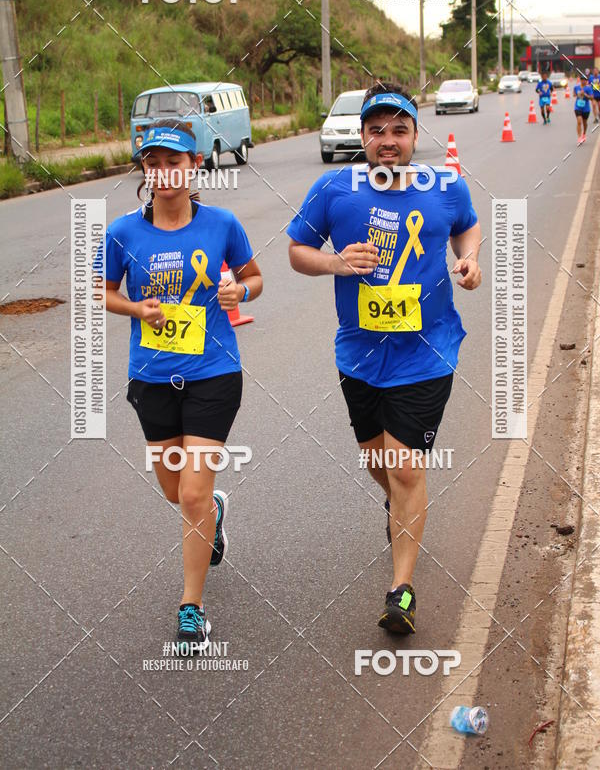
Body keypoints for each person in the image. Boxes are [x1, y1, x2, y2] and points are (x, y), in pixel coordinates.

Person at [287, 83, 481, 634]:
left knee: (403, 465)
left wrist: (469, 262)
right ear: (363, 135)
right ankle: (399, 513)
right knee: (378, 463)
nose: (388, 141)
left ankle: (402, 590)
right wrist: (334, 262)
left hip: (428, 352)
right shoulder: (334, 189)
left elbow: (467, 227)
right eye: (377, 131)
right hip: (359, 356)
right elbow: (298, 252)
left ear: (416, 134)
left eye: (399, 130)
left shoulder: (445, 186)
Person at [97, 120, 262, 643]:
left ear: (193, 166)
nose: (163, 171)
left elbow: (254, 277)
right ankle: (213, 511)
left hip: (214, 373)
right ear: (144, 170)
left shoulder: (222, 224)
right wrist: (136, 308)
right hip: (150, 377)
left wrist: (241, 293)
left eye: (174, 161)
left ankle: (191, 605)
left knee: (191, 492)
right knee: (177, 492)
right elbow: (103, 292)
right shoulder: (124, 232)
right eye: (153, 162)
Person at [573, 76, 593, 143]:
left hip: (586, 108)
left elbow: (592, 98)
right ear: (580, 80)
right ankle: (579, 137)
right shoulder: (576, 87)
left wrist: (585, 95)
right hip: (577, 107)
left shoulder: (588, 88)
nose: (583, 81)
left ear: (586, 81)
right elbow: (574, 94)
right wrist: (577, 94)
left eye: (585, 80)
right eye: (582, 80)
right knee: (579, 122)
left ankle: (584, 133)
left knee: (585, 123)